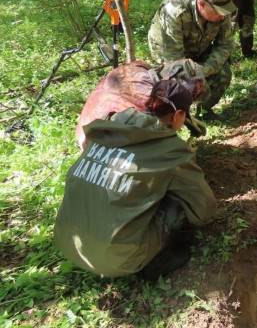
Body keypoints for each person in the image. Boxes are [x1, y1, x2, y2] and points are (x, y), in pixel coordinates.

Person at [55, 79, 217, 280]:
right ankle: (154, 262)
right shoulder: (172, 150)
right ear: (179, 115)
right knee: (178, 204)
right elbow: (204, 210)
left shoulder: (107, 130)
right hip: (117, 260)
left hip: (69, 245)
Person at [148, 0, 236, 116]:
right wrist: (194, 76)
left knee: (223, 73)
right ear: (201, 4)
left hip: (198, 49)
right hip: (169, 54)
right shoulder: (174, 11)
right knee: (180, 83)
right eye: (218, 11)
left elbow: (225, 45)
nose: (223, 16)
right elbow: (173, 61)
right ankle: (179, 114)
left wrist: (203, 71)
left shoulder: (221, 12)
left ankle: (203, 112)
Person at [75, 59, 206, 149]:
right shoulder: (147, 103)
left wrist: (188, 119)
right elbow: (162, 138)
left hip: (90, 134)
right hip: (100, 146)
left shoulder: (137, 69)